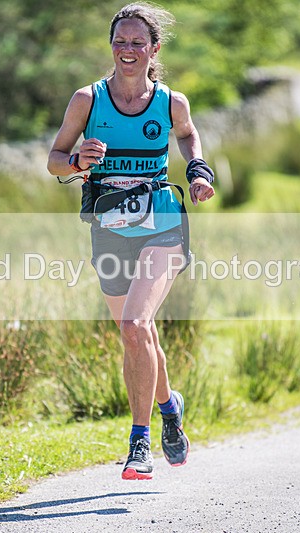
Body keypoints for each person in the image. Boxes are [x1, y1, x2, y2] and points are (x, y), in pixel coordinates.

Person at [47, 2, 215, 480]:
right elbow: (54, 160)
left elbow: (188, 136)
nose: (128, 49)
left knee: (136, 324)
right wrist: (78, 161)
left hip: (162, 224)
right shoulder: (88, 100)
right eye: (120, 40)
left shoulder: (170, 102)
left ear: (154, 48)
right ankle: (169, 407)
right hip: (110, 229)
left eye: (138, 42)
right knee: (137, 333)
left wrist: (198, 171)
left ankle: (139, 444)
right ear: (111, 45)